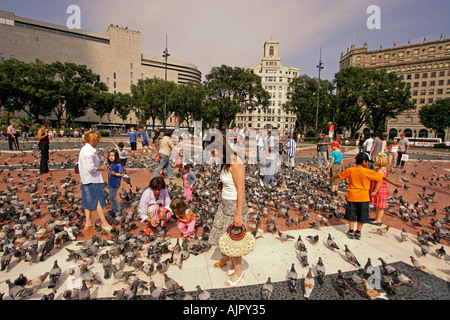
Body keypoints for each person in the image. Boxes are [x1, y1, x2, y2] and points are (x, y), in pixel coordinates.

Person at [325, 152, 403, 240]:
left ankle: (351, 231)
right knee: (361, 216)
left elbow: (339, 176)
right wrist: (395, 184)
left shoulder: (350, 170)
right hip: (364, 197)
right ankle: (358, 232)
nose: (368, 163)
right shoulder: (368, 171)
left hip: (352, 196)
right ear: (364, 162)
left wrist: (330, 178)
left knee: (351, 215)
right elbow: (382, 177)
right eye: (367, 162)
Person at [209, 135, 249, 287]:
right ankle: (233, 265)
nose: (212, 155)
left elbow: (241, 189)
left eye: (213, 151)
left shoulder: (235, 162)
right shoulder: (225, 162)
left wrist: (238, 214)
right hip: (225, 205)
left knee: (234, 243)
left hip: (234, 207)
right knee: (226, 238)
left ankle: (239, 272)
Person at [78, 130, 112, 233]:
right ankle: (104, 223)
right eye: (97, 140)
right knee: (98, 201)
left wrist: (100, 162)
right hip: (92, 179)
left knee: (87, 200)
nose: (98, 142)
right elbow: (91, 168)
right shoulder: (89, 152)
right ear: (93, 140)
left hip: (85, 179)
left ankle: (88, 222)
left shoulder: (84, 149)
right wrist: (101, 168)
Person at [369, 153, 390, 226]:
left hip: (380, 190)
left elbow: (379, 182)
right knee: (378, 206)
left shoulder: (380, 171)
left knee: (380, 206)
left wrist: (375, 191)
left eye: (375, 160)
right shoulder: (383, 169)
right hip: (382, 189)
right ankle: (376, 218)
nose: (374, 162)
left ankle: (378, 220)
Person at [107, 149, 124, 216]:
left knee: (112, 197)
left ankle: (118, 209)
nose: (111, 157)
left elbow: (122, 174)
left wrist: (115, 174)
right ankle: (114, 209)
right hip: (111, 182)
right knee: (111, 197)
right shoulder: (112, 164)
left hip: (115, 183)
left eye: (113, 156)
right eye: (109, 155)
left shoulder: (118, 165)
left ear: (116, 157)